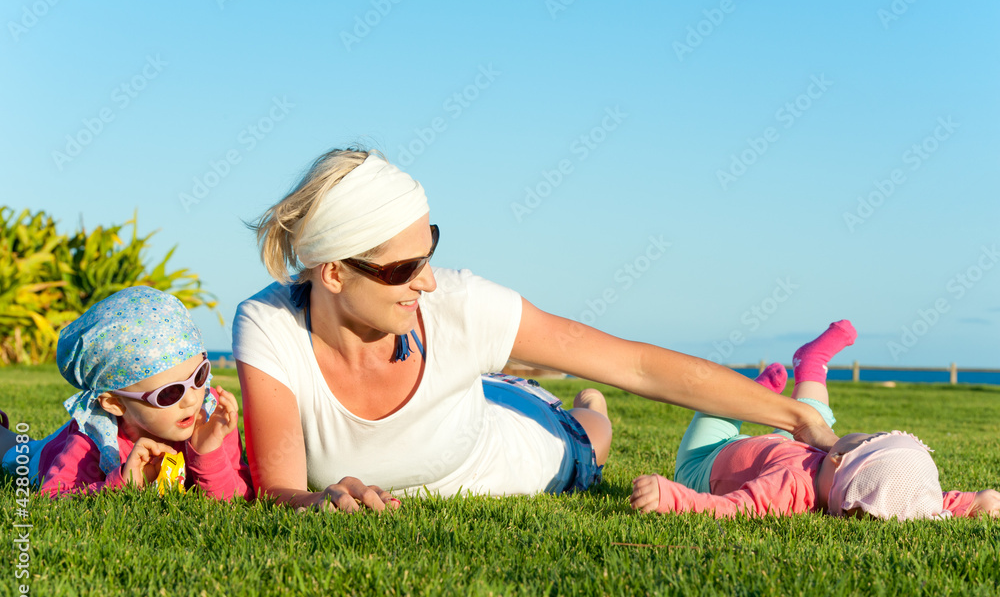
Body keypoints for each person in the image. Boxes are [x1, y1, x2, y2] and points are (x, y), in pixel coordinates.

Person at [233, 147, 838, 513]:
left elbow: (633, 365)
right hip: (475, 401)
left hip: (531, 440)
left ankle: (585, 407)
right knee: (500, 389)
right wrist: (317, 502)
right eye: (402, 268)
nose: (428, 283)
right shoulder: (270, 326)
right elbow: (278, 487)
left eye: (430, 251)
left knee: (591, 434)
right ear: (333, 273)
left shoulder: (461, 304)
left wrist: (796, 418)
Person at [630, 320, 1000, 519]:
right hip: (781, 444)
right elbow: (916, 500)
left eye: (867, 437)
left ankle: (746, 398)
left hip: (704, 461)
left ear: (839, 458)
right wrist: (973, 502)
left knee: (715, 407)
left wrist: (673, 496)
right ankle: (812, 364)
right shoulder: (850, 480)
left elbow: (732, 508)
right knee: (816, 417)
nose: (863, 432)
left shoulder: (789, 489)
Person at [0, 286, 252, 501]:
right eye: (168, 394)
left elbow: (235, 500)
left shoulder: (210, 416)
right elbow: (54, 497)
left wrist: (207, 452)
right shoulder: (92, 441)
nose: (191, 399)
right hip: (48, 456)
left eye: (199, 375)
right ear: (114, 403)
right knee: (18, 453)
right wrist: (124, 481)